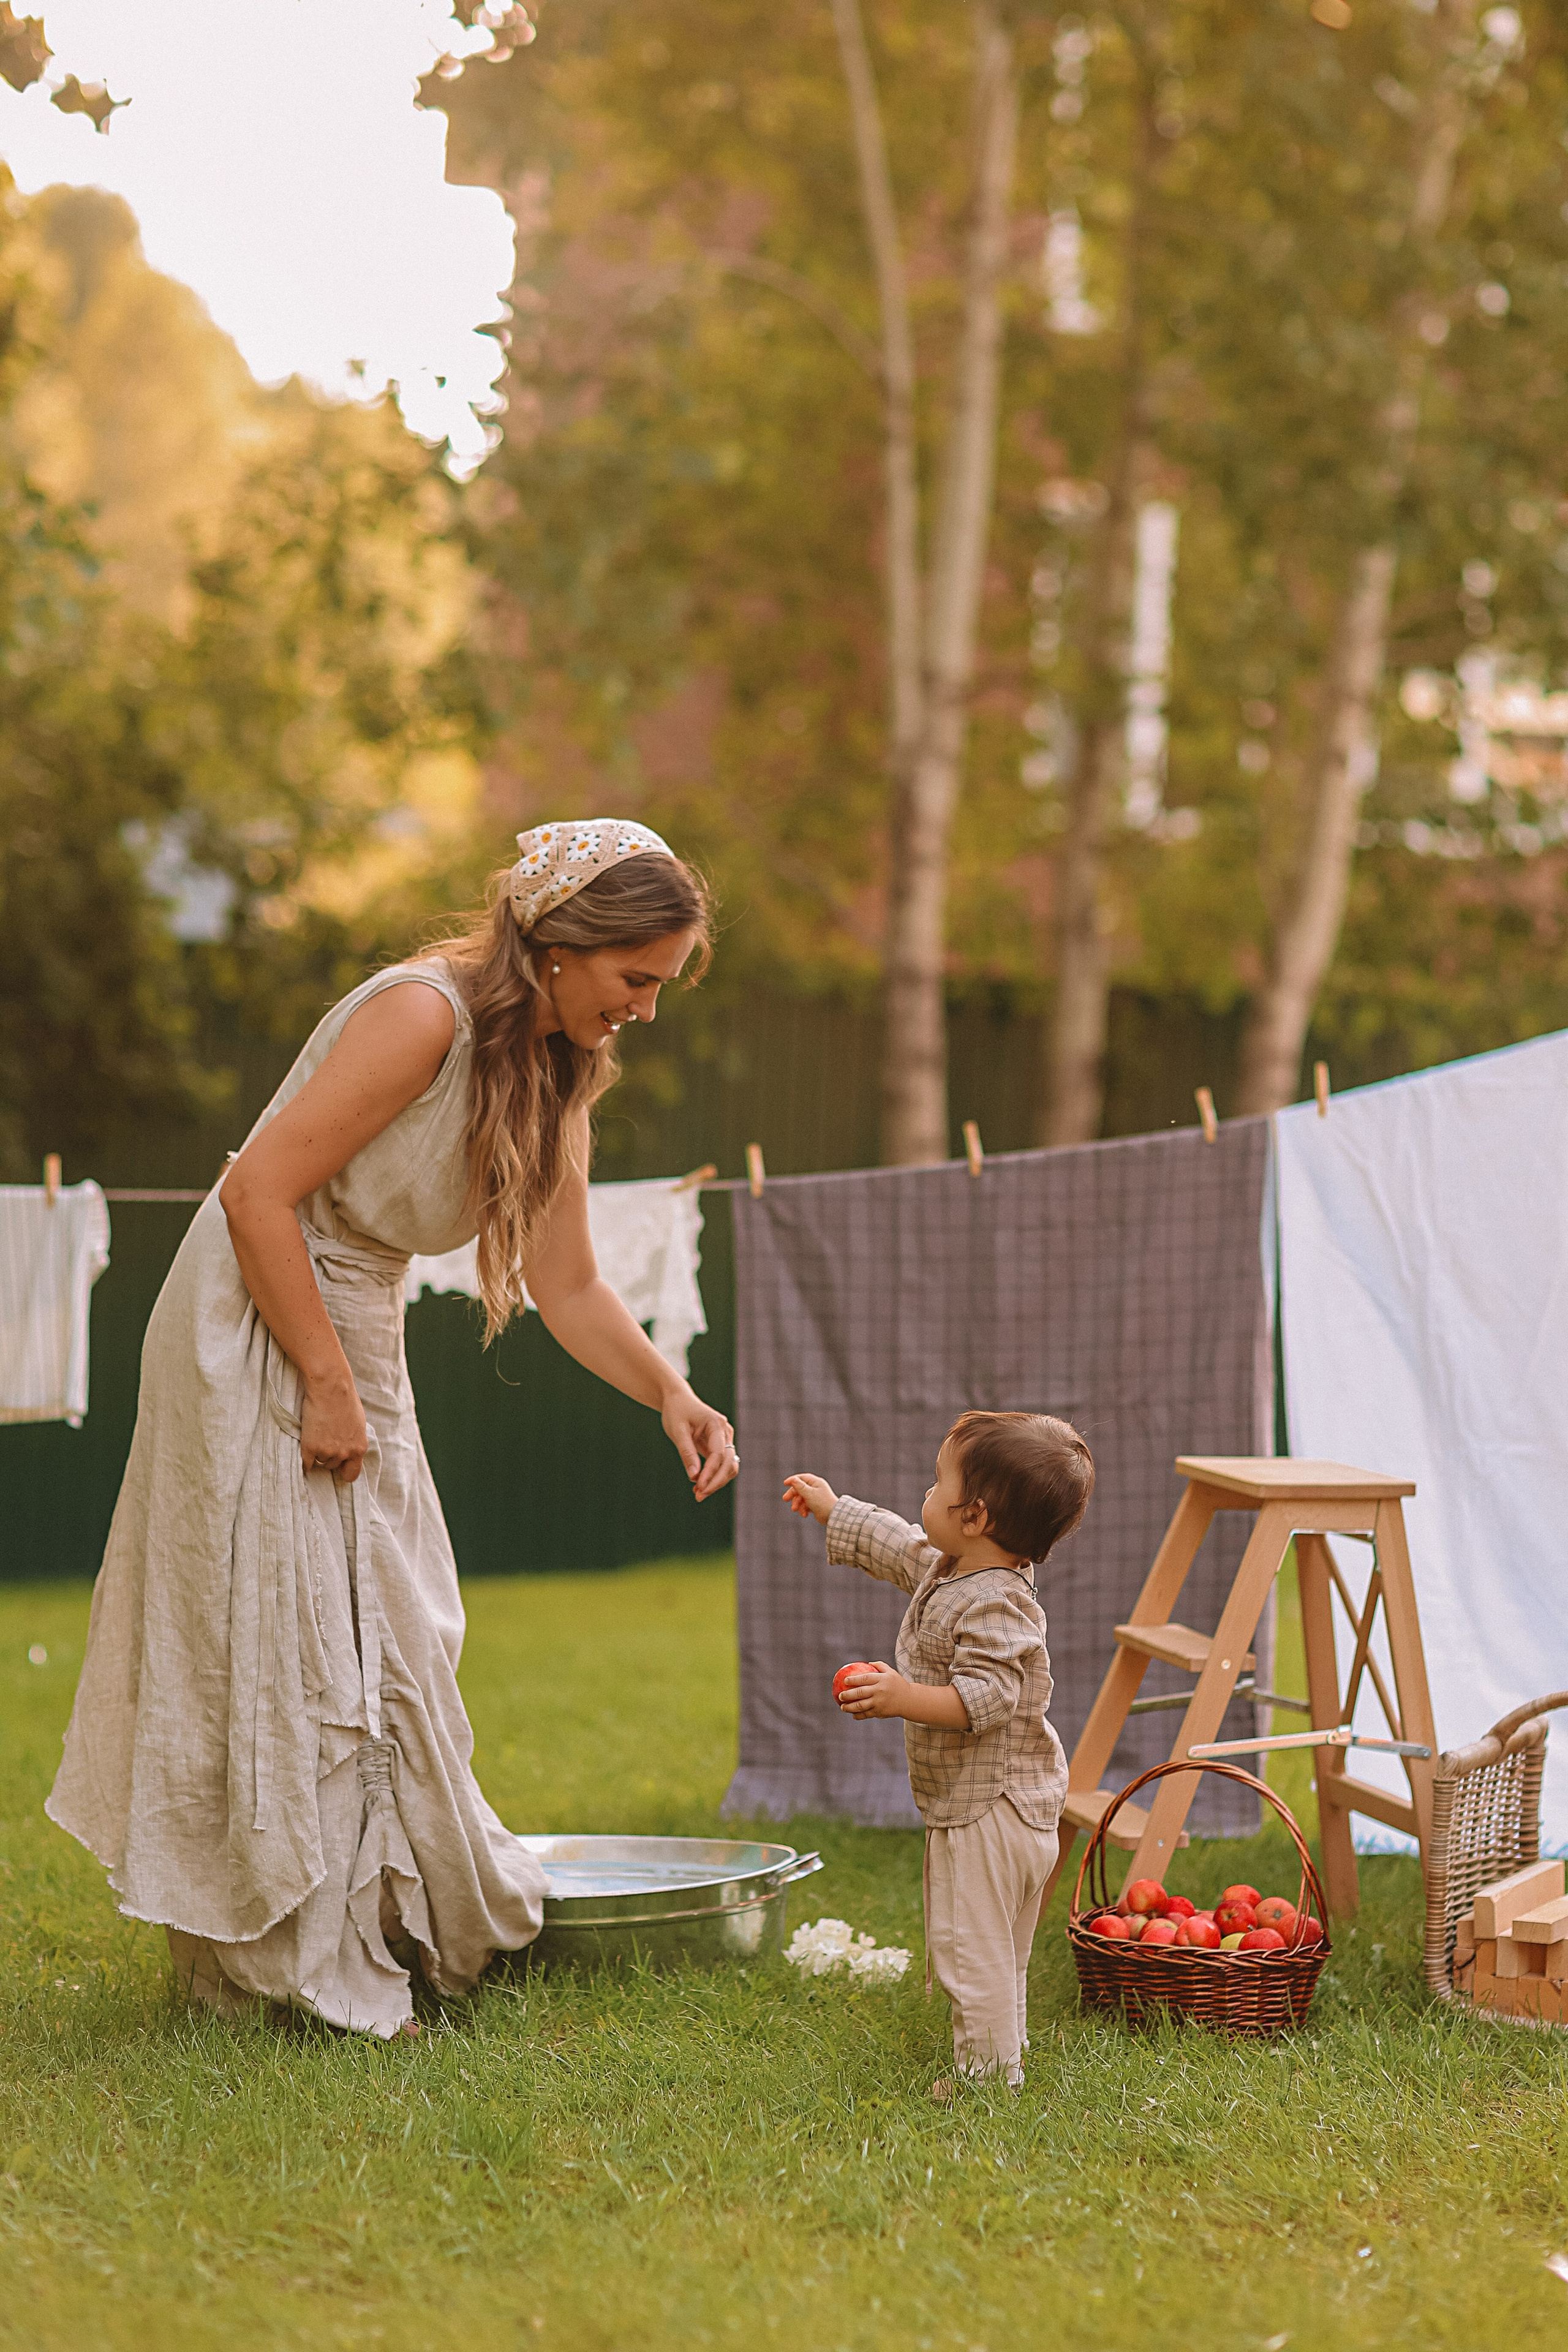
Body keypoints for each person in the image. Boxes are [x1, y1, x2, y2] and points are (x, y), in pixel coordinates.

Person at [48, 818, 739, 2040]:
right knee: (300, 1633)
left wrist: (672, 1395)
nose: (644, 1008)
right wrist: (323, 1380)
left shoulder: (558, 1068)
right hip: (261, 1307)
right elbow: (258, 1191)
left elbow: (570, 1287)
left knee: (392, 1628)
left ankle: (373, 1930)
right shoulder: (422, 1016)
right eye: (637, 979)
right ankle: (289, 1970)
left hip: (353, 1318)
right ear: (565, 947)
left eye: (661, 986)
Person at [782, 1411, 1093, 2096]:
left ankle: (984, 2081)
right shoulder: (958, 1568)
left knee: (969, 1948)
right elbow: (902, 1547)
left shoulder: (997, 1606)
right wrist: (836, 1511)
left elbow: (986, 1699)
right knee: (1001, 1950)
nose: (925, 1495)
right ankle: (1003, 2054)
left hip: (990, 1812)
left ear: (976, 1515)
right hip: (1012, 1805)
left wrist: (901, 1696)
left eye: (936, 1481)